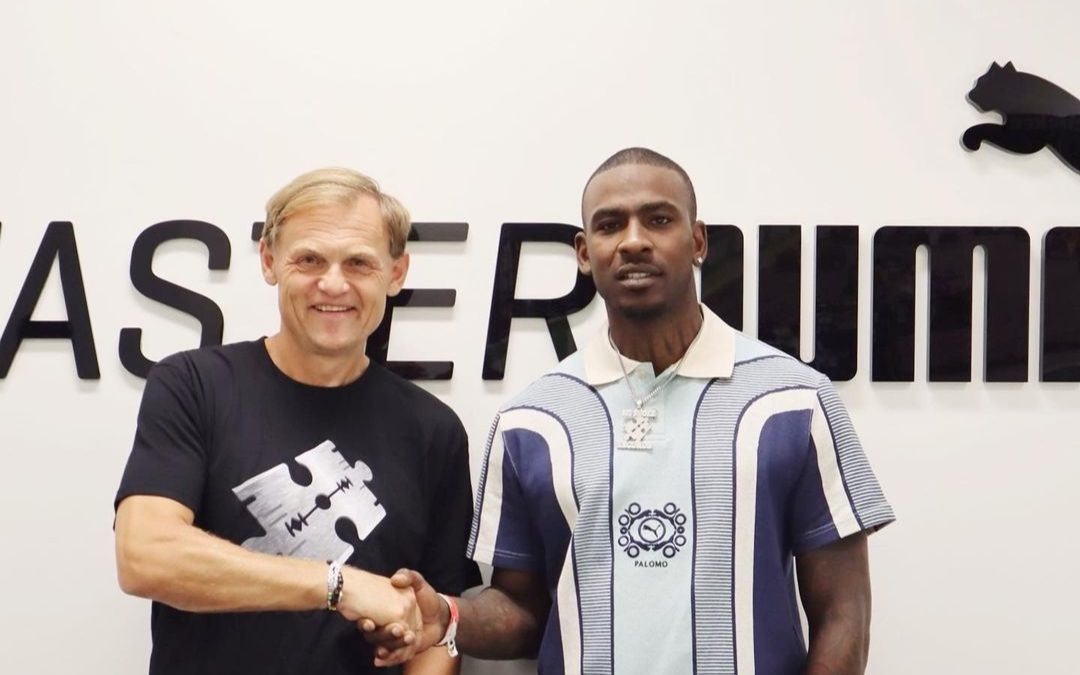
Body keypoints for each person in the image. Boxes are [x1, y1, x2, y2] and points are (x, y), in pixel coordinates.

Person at [370, 148, 895, 674]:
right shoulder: (530, 421)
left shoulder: (795, 400)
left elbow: (843, 611)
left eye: (659, 220)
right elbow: (524, 611)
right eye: (610, 225)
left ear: (698, 241)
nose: (634, 241)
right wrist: (448, 616)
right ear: (584, 252)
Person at [114, 167, 480, 675]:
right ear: (269, 260)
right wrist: (338, 585)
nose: (333, 283)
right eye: (309, 259)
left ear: (396, 273)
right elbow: (144, 556)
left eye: (359, 263)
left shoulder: (433, 430)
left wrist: (410, 625)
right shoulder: (193, 385)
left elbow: (437, 629)